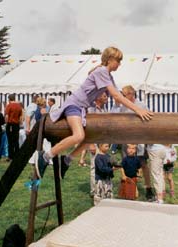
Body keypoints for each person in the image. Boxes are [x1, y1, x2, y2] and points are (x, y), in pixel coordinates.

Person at [38, 46, 153, 179]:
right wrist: (137, 109)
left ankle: (67, 160)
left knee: (91, 137)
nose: (120, 64)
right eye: (118, 61)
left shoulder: (107, 75)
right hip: (74, 105)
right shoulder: (102, 71)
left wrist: (133, 105)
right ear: (110, 60)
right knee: (79, 136)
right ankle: (46, 156)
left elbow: (118, 94)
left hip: (82, 108)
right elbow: (117, 96)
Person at [119, 85, 155, 201]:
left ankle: (149, 189)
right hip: (127, 142)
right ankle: (128, 189)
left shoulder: (142, 105)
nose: (122, 97)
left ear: (131, 94)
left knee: (143, 165)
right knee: (126, 165)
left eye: (124, 95)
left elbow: (147, 122)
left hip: (139, 142)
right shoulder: (123, 107)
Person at [5, 94, 23, 162]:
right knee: (16, 140)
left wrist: (6, 123)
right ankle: (17, 155)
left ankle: (10, 156)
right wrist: (20, 123)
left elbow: (7, 116)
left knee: (10, 141)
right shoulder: (19, 106)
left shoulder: (9, 106)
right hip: (16, 124)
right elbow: (21, 117)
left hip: (10, 124)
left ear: (9, 99)